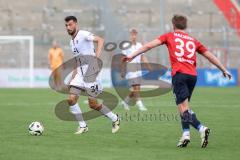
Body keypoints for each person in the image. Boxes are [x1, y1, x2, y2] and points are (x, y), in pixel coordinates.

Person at [123, 14, 231, 148]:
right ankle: (185, 135)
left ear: (173, 25)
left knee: (183, 109)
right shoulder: (193, 40)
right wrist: (223, 69)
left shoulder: (169, 36)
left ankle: (201, 128)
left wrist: (131, 56)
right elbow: (209, 55)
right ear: (186, 26)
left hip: (179, 74)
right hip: (192, 76)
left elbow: (149, 46)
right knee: (185, 107)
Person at [64, 16, 120, 134]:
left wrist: (96, 58)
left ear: (76, 24)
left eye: (70, 24)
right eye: (66, 25)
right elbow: (77, 60)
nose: (68, 27)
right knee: (71, 99)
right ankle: (83, 126)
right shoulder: (71, 42)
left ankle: (115, 118)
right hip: (80, 74)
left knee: (93, 105)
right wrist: (73, 76)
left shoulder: (83, 34)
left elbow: (100, 40)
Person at [120, 28, 152, 111]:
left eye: (135, 34)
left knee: (137, 89)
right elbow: (123, 58)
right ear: (130, 35)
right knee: (136, 88)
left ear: (136, 35)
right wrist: (123, 70)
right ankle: (140, 105)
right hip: (130, 68)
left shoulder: (139, 45)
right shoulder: (125, 45)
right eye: (132, 34)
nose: (133, 35)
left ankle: (125, 101)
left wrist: (148, 66)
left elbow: (143, 57)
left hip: (138, 69)